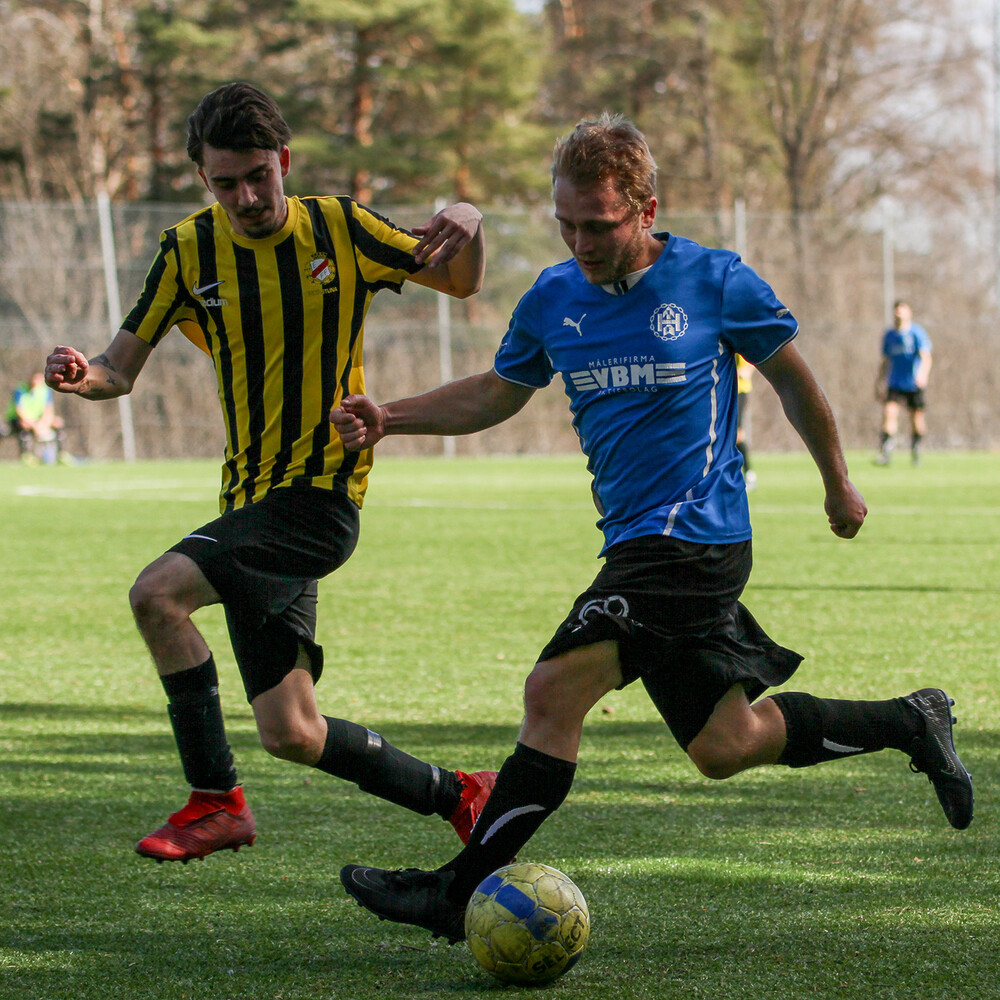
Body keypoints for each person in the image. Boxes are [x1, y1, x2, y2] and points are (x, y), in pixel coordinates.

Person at [330, 113, 973, 944]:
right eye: (566, 224)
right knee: (726, 744)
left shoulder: (714, 279)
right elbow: (496, 392)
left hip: (695, 541)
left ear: (646, 210)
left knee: (552, 691)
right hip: (635, 542)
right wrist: (391, 416)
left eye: (599, 226)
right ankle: (912, 720)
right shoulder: (552, 296)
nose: (581, 243)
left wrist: (838, 484)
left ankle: (454, 895)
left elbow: (794, 382)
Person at [43, 82, 497, 864]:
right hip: (247, 500)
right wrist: (82, 376)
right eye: (227, 184)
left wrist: (469, 219)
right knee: (293, 731)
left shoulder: (340, 227)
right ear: (204, 179)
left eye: (259, 176)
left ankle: (215, 800)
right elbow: (119, 369)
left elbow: (462, 281)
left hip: (321, 498)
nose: (248, 197)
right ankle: (460, 795)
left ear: (283, 160)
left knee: (156, 595)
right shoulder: (187, 251)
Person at [875, 300, 931, 466]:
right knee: (889, 413)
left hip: (913, 383)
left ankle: (916, 450)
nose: (899, 314)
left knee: (916, 420)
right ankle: (886, 452)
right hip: (895, 382)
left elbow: (926, 357)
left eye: (902, 310)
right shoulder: (890, 336)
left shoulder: (916, 333)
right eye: (896, 311)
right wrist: (879, 381)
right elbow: (885, 360)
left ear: (909, 313)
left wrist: (922, 375)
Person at [9, 372, 65, 465]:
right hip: (21, 419)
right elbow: (19, 411)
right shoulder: (21, 390)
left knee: (58, 422)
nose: (37, 382)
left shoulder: (45, 390)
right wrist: (34, 425)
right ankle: (27, 455)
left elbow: (49, 410)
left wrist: (43, 424)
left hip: (39, 421)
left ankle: (61, 454)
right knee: (24, 425)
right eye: (35, 379)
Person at [735, 354, 756, 489]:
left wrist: (746, 371)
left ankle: (749, 474)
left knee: (737, 434)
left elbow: (753, 358)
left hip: (739, 390)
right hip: (725, 390)